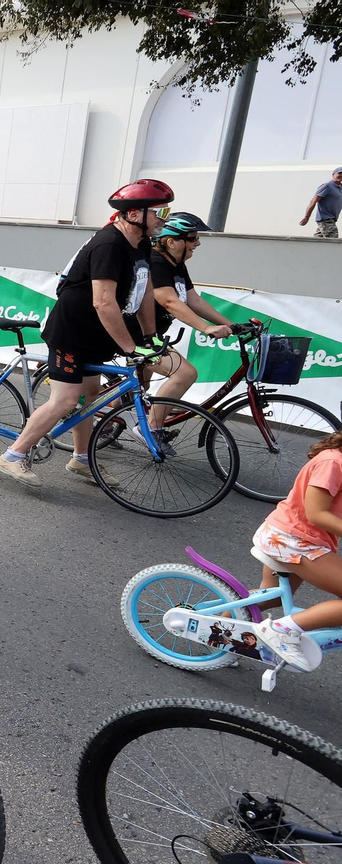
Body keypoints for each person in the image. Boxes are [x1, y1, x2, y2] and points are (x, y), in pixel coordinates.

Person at [0, 179, 174, 486]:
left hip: (96, 333)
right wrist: (131, 348)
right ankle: (12, 455)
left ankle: (81, 459)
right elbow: (103, 303)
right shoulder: (109, 245)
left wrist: (150, 337)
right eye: (160, 211)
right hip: (72, 332)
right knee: (65, 400)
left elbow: (144, 291)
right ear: (133, 215)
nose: (164, 219)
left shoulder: (141, 243)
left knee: (91, 396)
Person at [249, 431, 342, 670]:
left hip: (293, 536)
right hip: (293, 540)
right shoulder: (333, 462)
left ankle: (218, 631)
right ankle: (280, 630)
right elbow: (316, 513)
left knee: (268, 598)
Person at [138, 211, 236, 437]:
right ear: (171, 242)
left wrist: (232, 325)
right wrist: (206, 328)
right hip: (137, 335)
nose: (198, 243)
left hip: (150, 333)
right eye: (192, 238)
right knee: (185, 374)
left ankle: (106, 422)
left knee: (138, 387)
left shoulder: (176, 263)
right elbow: (169, 301)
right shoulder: (156, 262)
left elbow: (193, 299)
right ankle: (152, 430)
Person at [299, 167, 342, 239]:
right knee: (333, 242)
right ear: (333, 174)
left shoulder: (340, 188)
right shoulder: (327, 186)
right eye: (339, 173)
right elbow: (313, 201)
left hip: (332, 220)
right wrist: (306, 217)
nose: (341, 175)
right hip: (326, 219)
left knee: (318, 241)